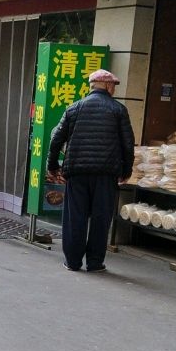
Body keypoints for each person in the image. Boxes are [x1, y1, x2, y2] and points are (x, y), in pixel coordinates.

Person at [46, 67, 134, 273]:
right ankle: (95, 262)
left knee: (74, 217)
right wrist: (126, 170)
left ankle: (73, 261)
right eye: (113, 85)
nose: (114, 88)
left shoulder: (74, 108)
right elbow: (128, 144)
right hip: (106, 173)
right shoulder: (118, 110)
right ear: (107, 85)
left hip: (77, 172)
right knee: (101, 218)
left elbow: (56, 139)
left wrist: (52, 167)